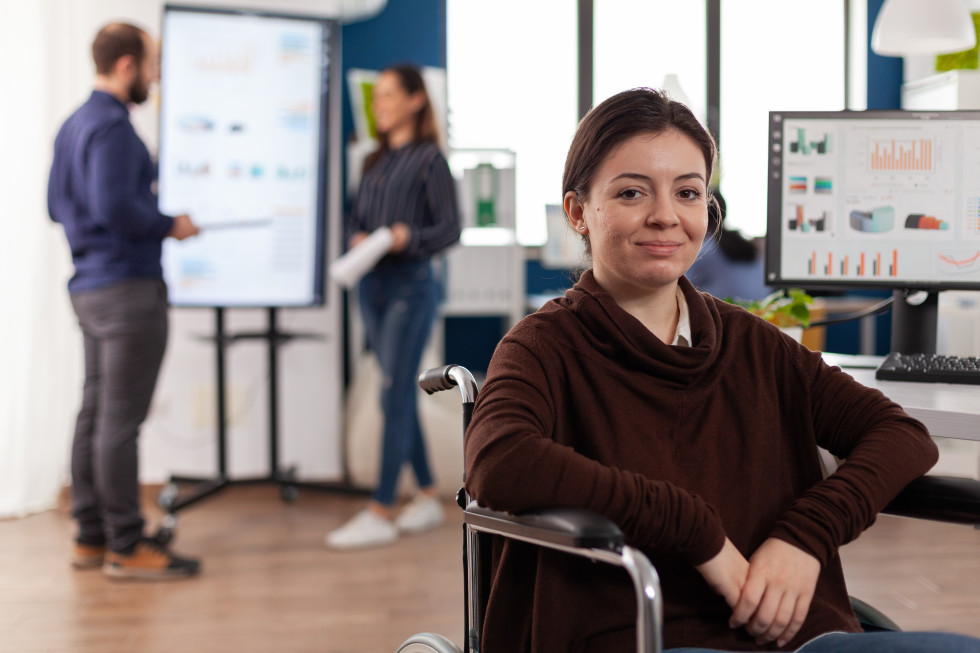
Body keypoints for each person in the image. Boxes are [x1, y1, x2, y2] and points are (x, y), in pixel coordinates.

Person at [463, 88, 980, 652]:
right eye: (632, 192)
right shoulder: (543, 346)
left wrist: (806, 536)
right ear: (578, 211)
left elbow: (900, 435)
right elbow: (499, 461)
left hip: (801, 637)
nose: (666, 216)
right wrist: (693, 530)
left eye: (688, 192)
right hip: (641, 636)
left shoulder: (753, 344)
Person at [48, 22, 201, 580]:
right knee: (118, 423)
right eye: (154, 63)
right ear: (128, 65)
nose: (157, 75)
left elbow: (54, 206)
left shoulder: (73, 125)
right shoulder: (112, 126)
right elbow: (114, 206)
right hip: (127, 290)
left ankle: (91, 537)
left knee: (94, 414)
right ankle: (126, 545)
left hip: (89, 287)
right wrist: (170, 224)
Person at [326, 64, 461, 550]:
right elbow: (351, 218)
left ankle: (381, 508)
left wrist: (409, 236)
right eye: (376, 96)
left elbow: (450, 230)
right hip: (372, 287)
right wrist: (357, 236)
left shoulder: (430, 161)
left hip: (411, 286)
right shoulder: (372, 162)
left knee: (392, 393)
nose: (378, 105)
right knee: (395, 394)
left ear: (414, 101)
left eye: (387, 96)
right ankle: (425, 494)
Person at [686, 190, 774, 302]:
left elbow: (678, 288)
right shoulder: (743, 244)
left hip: (729, 315)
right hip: (763, 310)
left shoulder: (705, 250)